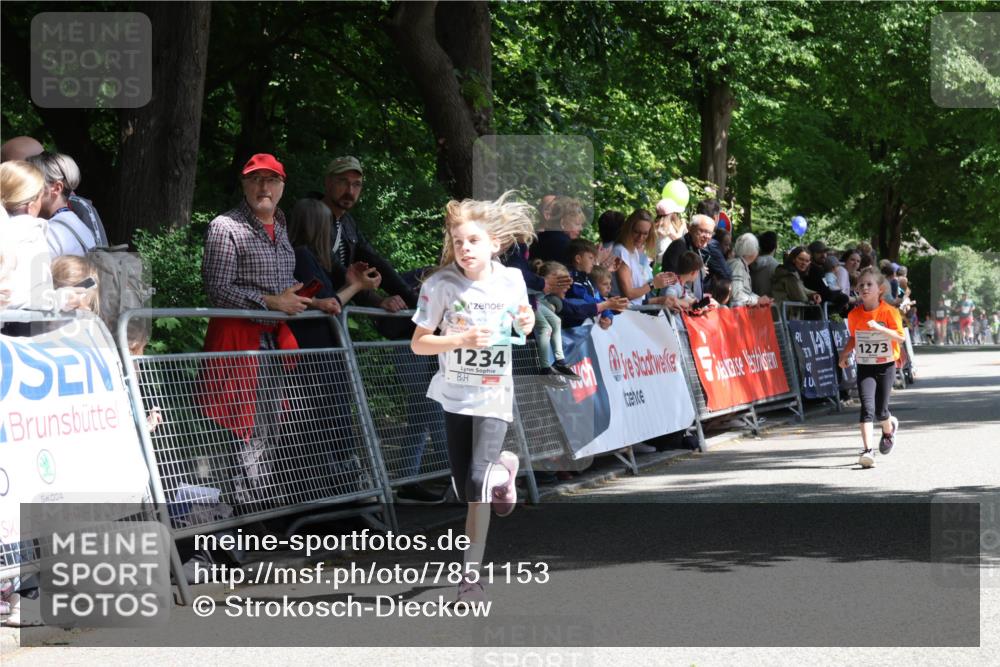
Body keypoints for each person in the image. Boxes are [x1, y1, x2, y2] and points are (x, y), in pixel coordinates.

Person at [410, 191, 536, 605]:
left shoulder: (511, 280)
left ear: (494, 244)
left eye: (474, 241)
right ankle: (507, 469)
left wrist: (527, 318)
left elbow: (525, 324)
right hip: (455, 394)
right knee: (466, 487)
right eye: (459, 241)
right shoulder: (440, 285)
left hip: (494, 392)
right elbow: (419, 344)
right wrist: (460, 339)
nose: (465, 248)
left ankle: (471, 578)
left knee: (478, 481)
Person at [200, 153, 340, 511]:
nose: (264, 187)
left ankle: (259, 510)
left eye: (271, 180)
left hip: (274, 342)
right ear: (244, 184)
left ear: (282, 187)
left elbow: (282, 284)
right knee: (238, 428)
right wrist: (271, 303)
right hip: (238, 342)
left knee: (269, 427)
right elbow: (218, 288)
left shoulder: (281, 227)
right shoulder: (225, 227)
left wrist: (317, 302)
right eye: (255, 179)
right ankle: (236, 515)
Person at [320, 156, 416, 313]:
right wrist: (378, 301)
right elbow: (334, 267)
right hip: (312, 310)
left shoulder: (347, 222)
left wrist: (414, 301)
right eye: (343, 182)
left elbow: (374, 261)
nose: (350, 191)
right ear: (328, 182)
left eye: (356, 184)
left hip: (333, 309)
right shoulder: (311, 217)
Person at [838, 266, 906, 469]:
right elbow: (853, 337)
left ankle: (889, 428)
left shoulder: (889, 312)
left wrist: (881, 328)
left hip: (885, 365)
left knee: (881, 411)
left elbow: (900, 338)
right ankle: (868, 451)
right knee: (867, 408)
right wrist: (844, 353)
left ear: (880, 290)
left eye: (869, 284)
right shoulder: (854, 315)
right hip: (865, 365)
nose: (865, 288)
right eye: (861, 285)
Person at [0, 161, 54, 316]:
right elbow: (38, 297)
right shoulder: (32, 232)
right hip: (17, 333)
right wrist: (62, 299)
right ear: (31, 205)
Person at [27, 151, 109, 254]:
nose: (26, 190)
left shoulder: (51, 233)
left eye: (34, 184)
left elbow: (36, 270)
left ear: (57, 188)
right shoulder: (79, 226)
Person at [613, 209, 674, 306]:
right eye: (636, 232)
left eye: (645, 233)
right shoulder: (620, 251)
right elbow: (628, 294)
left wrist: (660, 282)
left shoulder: (634, 251)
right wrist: (653, 284)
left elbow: (637, 296)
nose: (640, 237)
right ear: (628, 229)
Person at [563, 238, 629, 329]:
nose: (593, 262)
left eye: (594, 259)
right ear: (578, 259)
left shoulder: (587, 278)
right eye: (590, 258)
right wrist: (607, 304)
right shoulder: (571, 278)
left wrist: (608, 317)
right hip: (572, 331)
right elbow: (584, 298)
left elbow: (598, 297)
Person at [661, 214, 731, 298]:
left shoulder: (696, 247)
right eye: (702, 231)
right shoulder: (679, 246)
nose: (707, 236)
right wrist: (693, 301)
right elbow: (672, 281)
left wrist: (702, 298)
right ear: (690, 228)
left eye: (710, 233)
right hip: (676, 306)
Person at [533, 261, 581, 383]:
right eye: (562, 281)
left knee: (556, 321)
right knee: (545, 328)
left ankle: (560, 362)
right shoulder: (538, 284)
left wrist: (551, 303)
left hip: (535, 303)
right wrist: (549, 305)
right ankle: (545, 369)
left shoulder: (547, 291)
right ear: (549, 278)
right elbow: (531, 298)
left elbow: (540, 300)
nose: (567, 285)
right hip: (526, 304)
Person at [530, 196, 585, 264]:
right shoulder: (565, 245)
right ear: (562, 223)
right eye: (577, 224)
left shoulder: (539, 238)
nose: (581, 228)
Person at [727, 233, 773, 308]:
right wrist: (757, 300)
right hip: (734, 315)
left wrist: (759, 298)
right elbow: (736, 294)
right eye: (757, 248)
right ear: (752, 251)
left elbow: (744, 292)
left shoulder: (741, 265)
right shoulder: (738, 265)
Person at [803, 241, 848, 311]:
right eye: (819, 252)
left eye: (825, 252)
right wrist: (841, 295)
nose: (824, 255)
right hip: (814, 309)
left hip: (814, 306)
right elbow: (826, 293)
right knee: (844, 298)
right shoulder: (815, 269)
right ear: (811, 254)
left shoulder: (817, 268)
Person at [749, 231, 780, 297]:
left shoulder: (749, 263)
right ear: (775, 246)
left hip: (749, 304)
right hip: (768, 305)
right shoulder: (776, 267)